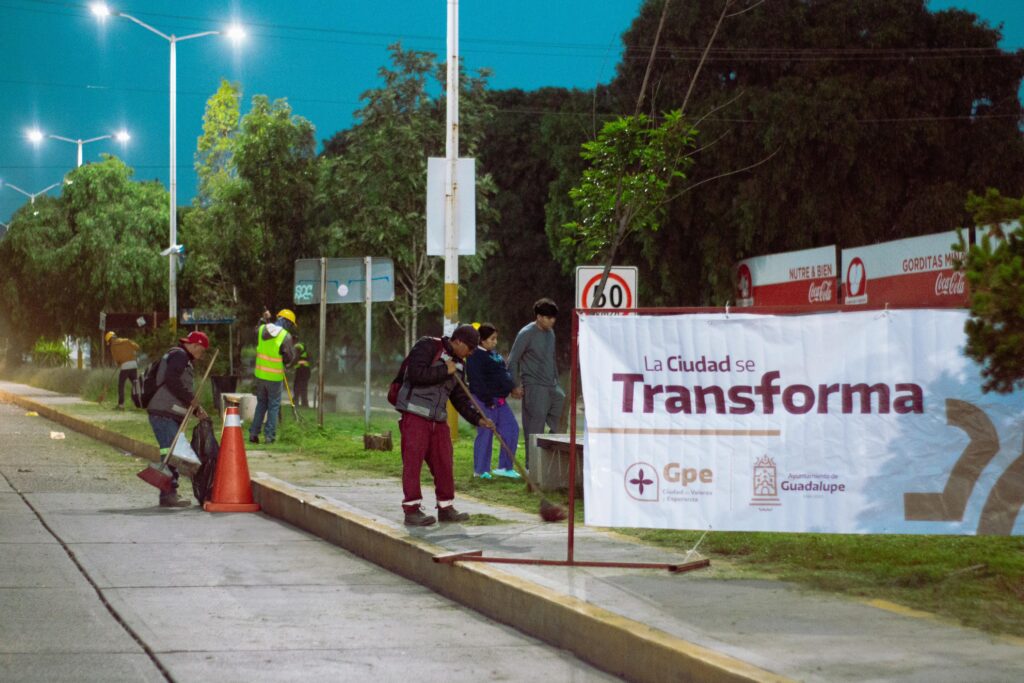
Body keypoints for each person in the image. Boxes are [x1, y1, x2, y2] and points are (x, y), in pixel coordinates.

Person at [394, 324, 495, 527]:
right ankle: (412, 510)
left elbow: (458, 397)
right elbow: (415, 374)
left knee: (444, 463)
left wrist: (478, 419)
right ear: (457, 341)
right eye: (470, 348)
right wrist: (444, 370)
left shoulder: (460, 364)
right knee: (413, 464)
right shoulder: (427, 346)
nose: (471, 353)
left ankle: (446, 508)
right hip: (414, 416)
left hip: (438, 421)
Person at [145, 331, 210, 508]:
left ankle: (168, 494)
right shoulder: (180, 356)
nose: (200, 355)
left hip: (167, 412)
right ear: (195, 345)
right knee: (172, 453)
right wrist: (192, 401)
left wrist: (195, 409)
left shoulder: (179, 356)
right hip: (163, 412)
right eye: (201, 350)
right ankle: (168, 495)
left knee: (171, 453)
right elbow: (173, 381)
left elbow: (178, 386)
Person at [507, 298, 565, 469]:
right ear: (539, 317)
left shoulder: (550, 333)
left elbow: (551, 359)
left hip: (552, 385)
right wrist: (514, 385)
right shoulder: (526, 333)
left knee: (559, 417)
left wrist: (556, 382)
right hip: (534, 386)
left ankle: (550, 458)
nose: (552, 321)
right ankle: (531, 467)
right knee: (535, 427)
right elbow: (513, 360)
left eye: (554, 318)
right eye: (549, 318)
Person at [465, 323, 520, 480]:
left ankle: (505, 467)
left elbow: (503, 374)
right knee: (486, 433)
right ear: (482, 340)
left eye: (496, 338)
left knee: (512, 429)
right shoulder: (475, 356)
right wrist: (488, 400)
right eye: (492, 339)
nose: (495, 342)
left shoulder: (493, 354)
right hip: (485, 400)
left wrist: (511, 387)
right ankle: (481, 470)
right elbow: (476, 381)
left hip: (501, 401)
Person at [250, 308, 298, 445]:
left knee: (261, 404)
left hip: (260, 375)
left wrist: (263, 319)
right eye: (291, 324)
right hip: (275, 378)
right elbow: (288, 358)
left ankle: (254, 434)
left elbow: (255, 330)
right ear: (287, 322)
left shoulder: (262, 329)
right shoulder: (285, 336)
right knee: (273, 406)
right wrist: (284, 358)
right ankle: (269, 436)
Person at [105, 331, 140, 411]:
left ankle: (121, 405)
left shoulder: (113, 347)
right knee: (135, 384)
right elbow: (137, 347)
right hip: (134, 364)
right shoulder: (126, 341)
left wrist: (119, 362)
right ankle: (138, 404)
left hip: (125, 366)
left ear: (110, 340)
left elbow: (116, 359)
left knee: (121, 385)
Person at [293, 342, 312, 408]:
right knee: (301, 388)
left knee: (299, 388)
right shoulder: (304, 354)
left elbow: (296, 363)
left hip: (303, 373)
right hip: (303, 373)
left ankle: (300, 403)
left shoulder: (302, 355)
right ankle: (301, 403)